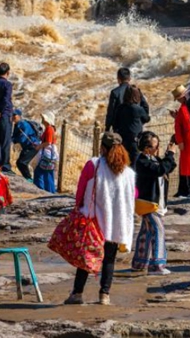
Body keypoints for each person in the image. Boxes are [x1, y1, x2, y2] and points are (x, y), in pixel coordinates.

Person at [64, 131, 135, 306]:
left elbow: (80, 191)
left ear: (102, 147)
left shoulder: (93, 165)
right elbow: (133, 195)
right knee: (109, 259)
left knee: (86, 258)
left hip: (93, 221)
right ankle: (104, 295)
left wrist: (79, 207)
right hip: (116, 223)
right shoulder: (128, 173)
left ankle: (77, 293)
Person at [132, 132, 177, 275]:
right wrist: (169, 155)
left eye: (158, 145)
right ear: (146, 148)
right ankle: (157, 265)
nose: (157, 148)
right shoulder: (142, 161)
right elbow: (160, 170)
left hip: (155, 204)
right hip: (147, 203)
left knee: (145, 232)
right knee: (158, 230)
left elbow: (169, 166)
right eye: (155, 146)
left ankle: (139, 262)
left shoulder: (153, 158)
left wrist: (169, 153)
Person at [170, 84, 190, 197]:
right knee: (189, 165)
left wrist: (180, 141)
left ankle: (188, 190)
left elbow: (180, 126)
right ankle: (188, 190)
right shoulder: (188, 106)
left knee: (188, 165)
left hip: (189, 141)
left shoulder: (184, 108)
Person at [113, 85, 149, 166]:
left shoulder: (120, 108)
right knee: (134, 166)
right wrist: (142, 97)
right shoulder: (138, 109)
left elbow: (115, 124)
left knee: (123, 164)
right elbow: (146, 118)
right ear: (137, 96)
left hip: (121, 140)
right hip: (134, 142)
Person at [105, 67, 149, 132]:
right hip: (135, 128)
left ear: (118, 78)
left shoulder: (115, 92)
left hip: (120, 128)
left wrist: (107, 127)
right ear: (129, 78)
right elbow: (145, 107)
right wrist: (140, 122)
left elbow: (111, 112)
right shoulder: (136, 91)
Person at [11, 109, 41, 181]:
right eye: (12, 115)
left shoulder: (24, 124)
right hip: (27, 146)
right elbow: (15, 137)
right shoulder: (17, 125)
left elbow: (22, 138)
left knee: (22, 162)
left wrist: (14, 141)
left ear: (19, 116)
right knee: (19, 163)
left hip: (33, 146)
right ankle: (27, 178)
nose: (13, 116)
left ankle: (29, 179)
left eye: (14, 115)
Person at [34, 112, 58, 193]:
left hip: (47, 154)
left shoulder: (49, 129)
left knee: (39, 172)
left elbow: (48, 142)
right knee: (48, 173)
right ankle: (51, 192)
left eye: (43, 118)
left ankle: (39, 190)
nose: (42, 119)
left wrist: (38, 147)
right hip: (50, 154)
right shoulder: (51, 128)